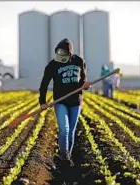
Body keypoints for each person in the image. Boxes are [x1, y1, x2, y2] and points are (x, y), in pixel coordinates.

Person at [39, 38, 91, 167]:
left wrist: (86, 85)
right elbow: (44, 83)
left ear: (69, 53)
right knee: (64, 129)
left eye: (63, 52)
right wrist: (42, 101)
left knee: (71, 131)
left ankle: (68, 156)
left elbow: (83, 81)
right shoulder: (52, 65)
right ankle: (64, 155)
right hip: (60, 101)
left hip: (76, 101)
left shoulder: (79, 61)